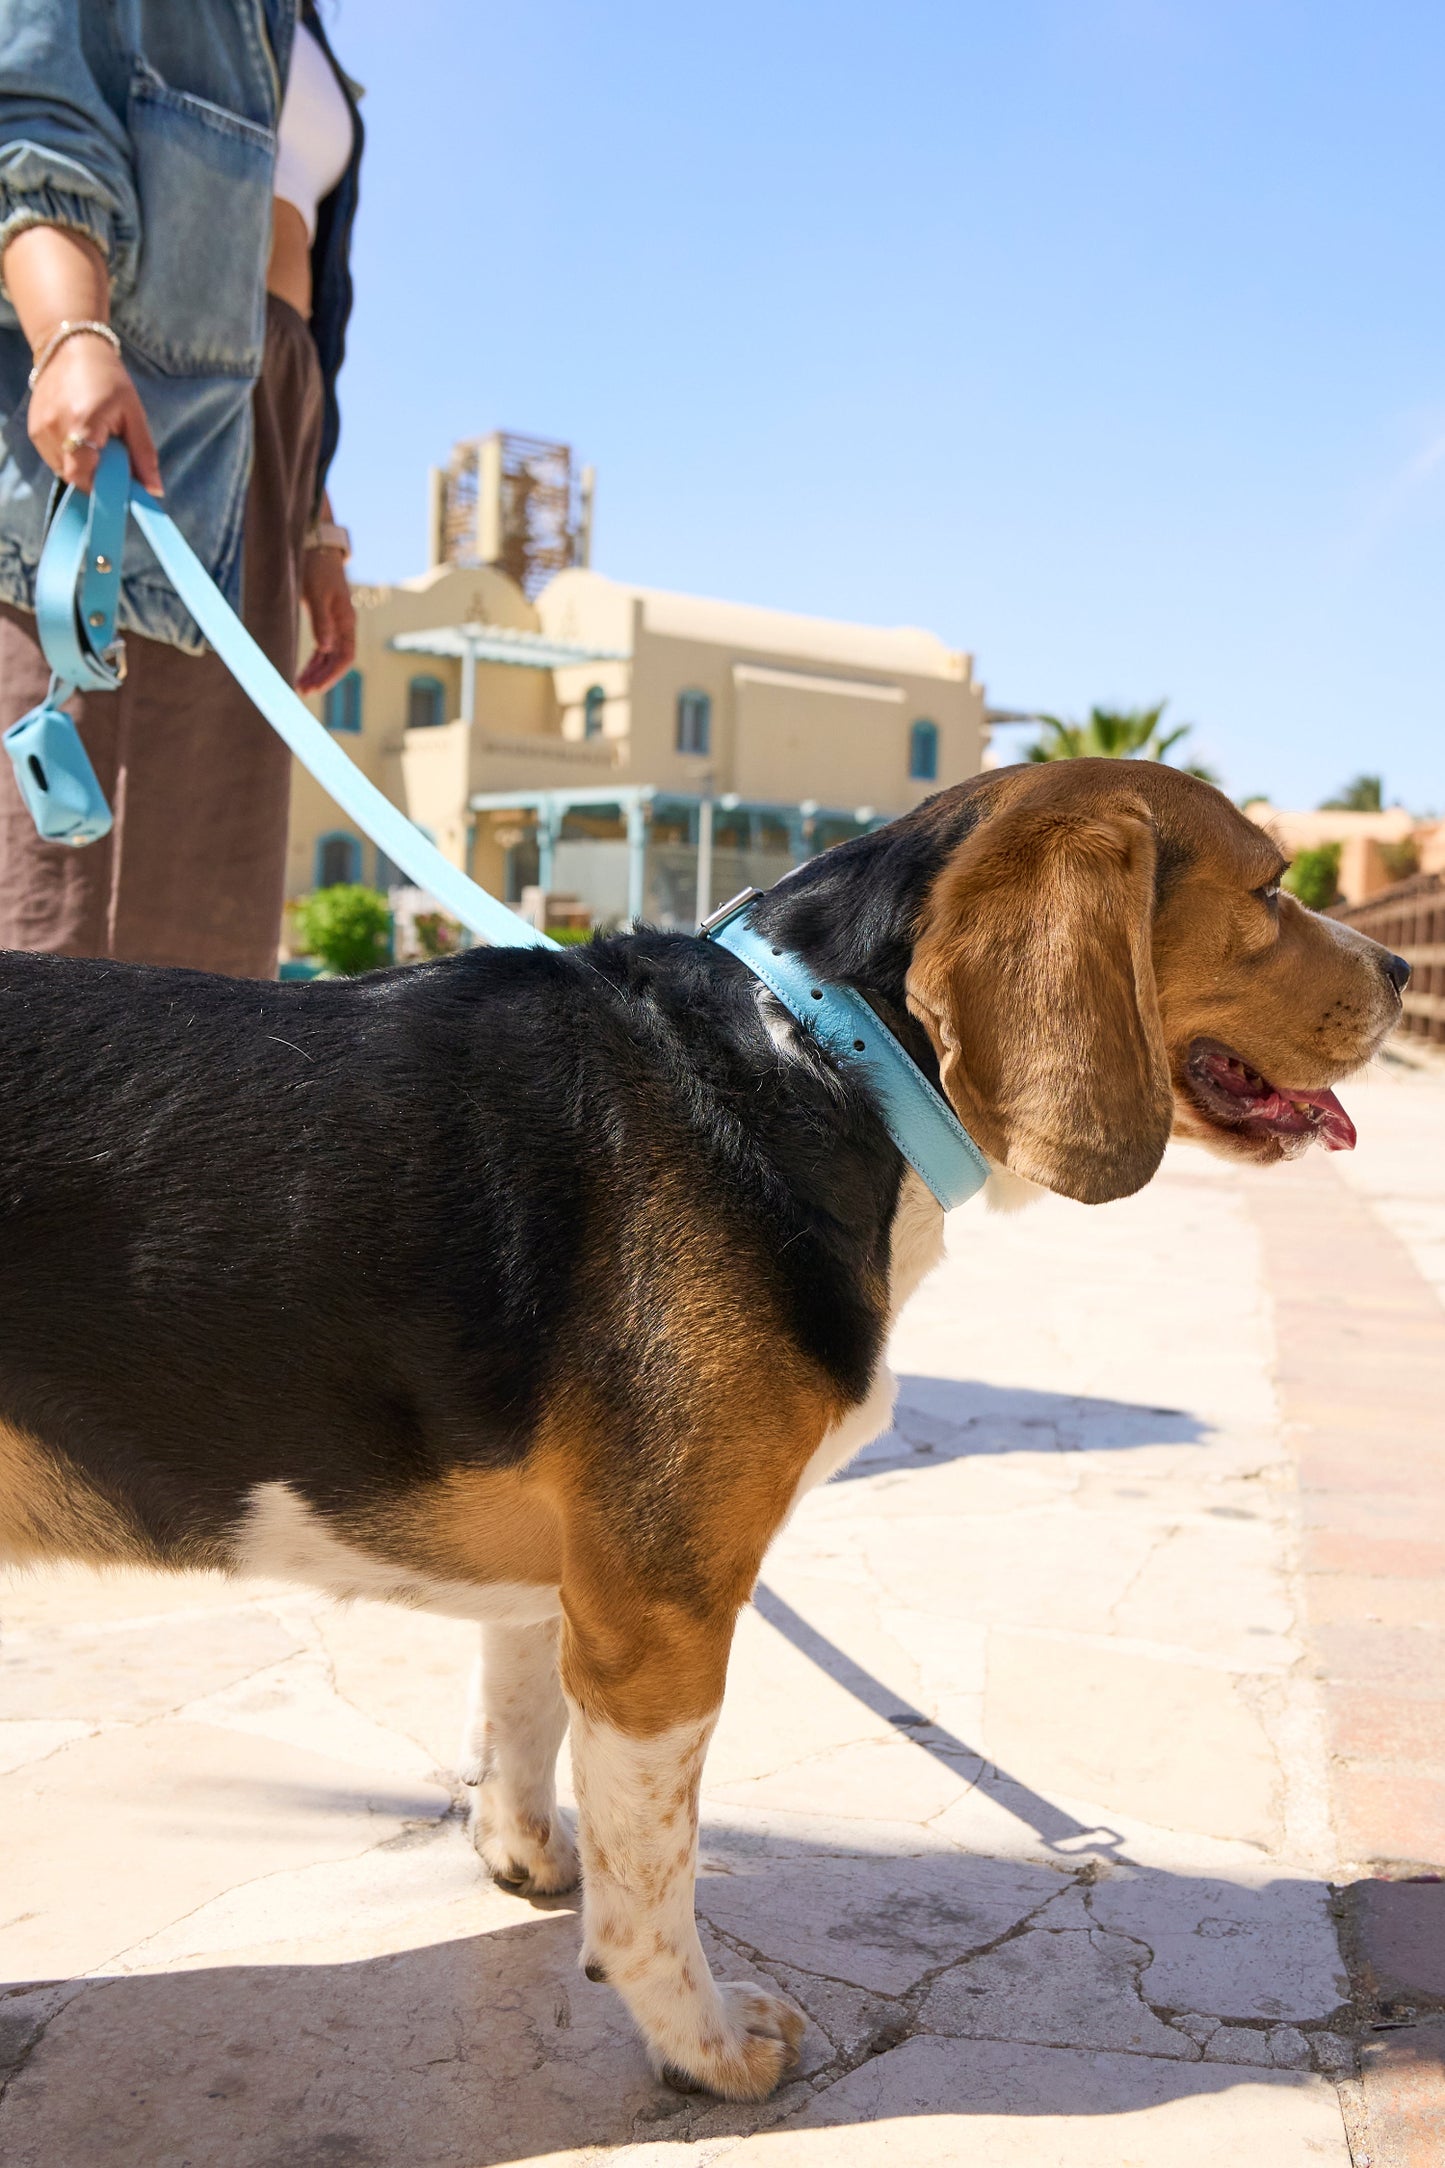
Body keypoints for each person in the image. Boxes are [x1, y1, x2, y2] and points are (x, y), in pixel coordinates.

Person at [0, 1, 362, 977]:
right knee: (58, 927)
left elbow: (311, 302)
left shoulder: (305, 24)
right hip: (112, 420)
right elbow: (30, 118)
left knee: (211, 944)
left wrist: (311, 517)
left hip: (264, 444)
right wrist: (68, 332)